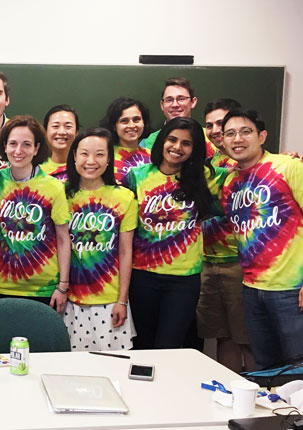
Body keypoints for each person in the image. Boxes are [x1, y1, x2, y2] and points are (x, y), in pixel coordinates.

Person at [220, 108, 303, 369]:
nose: (238, 139)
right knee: (267, 368)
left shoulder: (290, 167)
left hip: (293, 291)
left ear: (262, 136)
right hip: (252, 290)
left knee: (302, 368)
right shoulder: (230, 183)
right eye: (230, 134)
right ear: (222, 141)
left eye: (246, 132)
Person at [123, 117, 223, 350]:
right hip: (142, 276)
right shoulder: (136, 176)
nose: (177, 147)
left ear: (195, 149)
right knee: (142, 346)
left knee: (171, 347)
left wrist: (286, 158)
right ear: (162, 141)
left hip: (184, 280)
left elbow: (245, 170)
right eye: (172, 139)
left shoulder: (206, 177)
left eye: (186, 143)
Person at [62, 128, 137, 351]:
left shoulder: (124, 197)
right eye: (84, 154)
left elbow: (125, 252)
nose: (91, 161)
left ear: (109, 159)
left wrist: (122, 300)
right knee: (71, 370)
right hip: (70, 300)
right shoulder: (61, 194)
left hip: (109, 300)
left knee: (113, 369)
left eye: (100, 154)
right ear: (74, 156)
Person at [195, 98, 256, 371]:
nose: (215, 130)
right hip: (208, 263)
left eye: (222, 123)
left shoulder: (251, 163)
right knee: (224, 336)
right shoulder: (207, 164)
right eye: (209, 125)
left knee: (248, 339)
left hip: (240, 263)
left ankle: (260, 399)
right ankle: (232, 395)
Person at [0, 116, 71, 312]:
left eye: (26, 144)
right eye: (13, 144)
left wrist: (63, 286)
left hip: (44, 288)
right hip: (4, 284)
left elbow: (63, 238)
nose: (18, 151)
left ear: (36, 149)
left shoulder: (53, 187)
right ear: (5, 146)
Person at [99, 97, 153, 183]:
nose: (131, 125)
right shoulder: (105, 158)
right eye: (124, 121)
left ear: (143, 122)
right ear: (114, 126)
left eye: (136, 119)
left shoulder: (152, 156)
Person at [40, 104, 79, 181]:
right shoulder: (36, 168)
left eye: (68, 126)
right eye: (55, 126)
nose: (61, 132)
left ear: (76, 132)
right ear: (45, 131)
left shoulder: (85, 166)